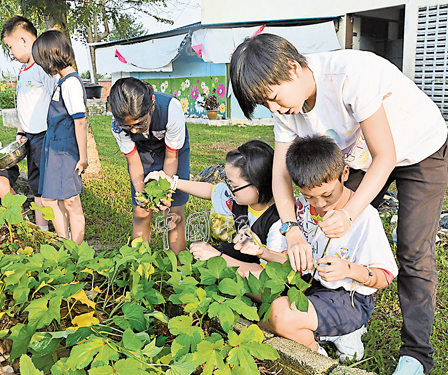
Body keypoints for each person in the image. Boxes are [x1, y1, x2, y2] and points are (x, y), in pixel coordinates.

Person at [230, 33, 447, 375]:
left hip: (419, 147)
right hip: (360, 154)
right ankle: (335, 309)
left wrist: (349, 213)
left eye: (272, 97)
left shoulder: (349, 76)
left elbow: (385, 155)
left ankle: (416, 355)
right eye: (265, 105)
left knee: (412, 249)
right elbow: (281, 177)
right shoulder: (287, 109)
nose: (274, 109)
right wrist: (291, 230)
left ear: (291, 67)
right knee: (323, 215)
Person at [233, 135, 398, 360]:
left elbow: (384, 277)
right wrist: (261, 251)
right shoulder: (298, 210)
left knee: (278, 315)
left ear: (345, 174)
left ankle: (318, 352)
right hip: (307, 287)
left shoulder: (364, 216)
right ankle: (323, 331)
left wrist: (348, 269)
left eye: (327, 194)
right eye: (308, 196)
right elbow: (294, 263)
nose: (319, 205)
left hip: (348, 299)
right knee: (243, 280)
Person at [146, 140, 285, 272]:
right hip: (246, 257)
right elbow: (210, 191)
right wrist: (172, 182)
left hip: (265, 273)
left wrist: (217, 257)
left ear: (257, 185)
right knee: (208, 260)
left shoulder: (277, 222)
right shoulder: (240, 198)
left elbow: (268, 273)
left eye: (234, 185)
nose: (229, 189)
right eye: (229, 183)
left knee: (214, 260)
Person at [109, 77, 190, 256]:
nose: (135, 131)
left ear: (151, 106)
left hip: (173, 152)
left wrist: (164, 192)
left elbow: (171, 157)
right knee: (141, 211)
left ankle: (180, 269)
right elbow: (133, 161)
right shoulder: (117, 125)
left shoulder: (171, 109)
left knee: (174, 211)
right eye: (128, 127)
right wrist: (142, 195)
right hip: (142, 153)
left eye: (139, 123)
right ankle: (140, 265)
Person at [31, 30, 88, 245]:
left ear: (51, 57)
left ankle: (77, 248)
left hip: (65, 151)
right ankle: (66, 243)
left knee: (71, 202)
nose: (42, 66)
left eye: (42, 61)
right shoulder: (62, 81)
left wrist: (83, 158)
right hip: (54, 149)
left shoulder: (71, 83)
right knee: (51, 200)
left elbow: (80, 121)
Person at [1, 16, 56, 232]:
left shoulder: (44, 66)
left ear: (24, 40)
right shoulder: (24, 70)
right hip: (31, 136)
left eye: (10, 46)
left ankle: (63, 231)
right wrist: (20, 130)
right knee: (36, 184)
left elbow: (56, 101)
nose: (11, 53)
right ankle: (42, 230)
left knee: (48, 186)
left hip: (46, 135)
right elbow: (24, 104)